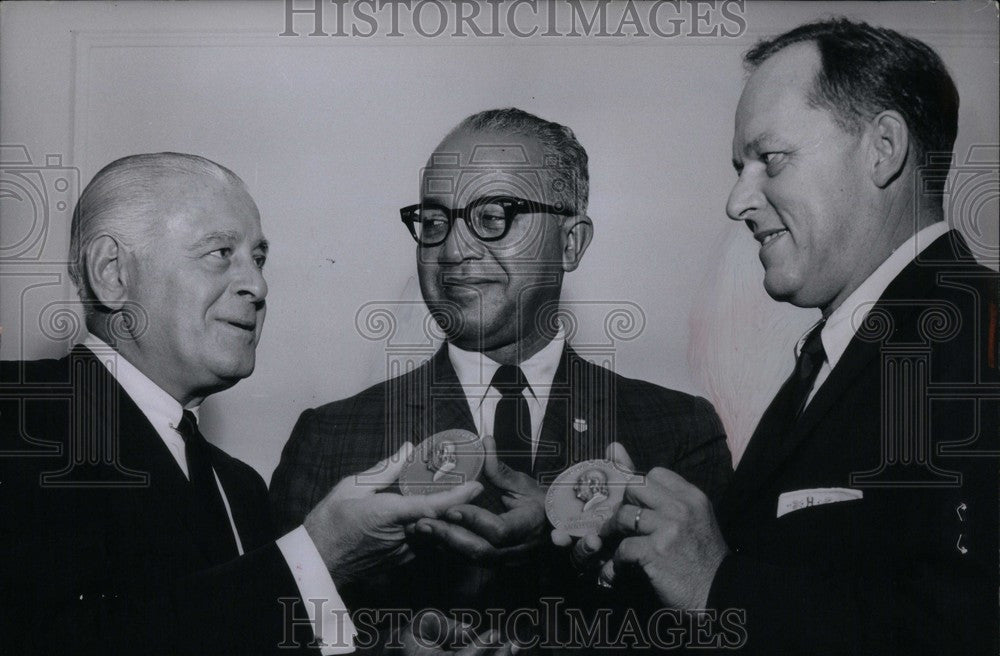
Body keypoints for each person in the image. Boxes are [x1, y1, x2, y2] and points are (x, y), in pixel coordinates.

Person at [576, 19, 999, 655]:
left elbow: (966, 632)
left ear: (883, 147)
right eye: (739, 167)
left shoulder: (980, 340)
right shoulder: (837, 351)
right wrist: (644, 541)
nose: (738, 200)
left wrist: (716, 585)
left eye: (769, 159)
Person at [270, 108, 732, 651]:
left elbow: (722, 632)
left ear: (571, 243)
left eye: (493, 216)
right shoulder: (329, 439)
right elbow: (273, 633)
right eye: (435, 221)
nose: (453, 250)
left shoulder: (677, 433)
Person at [0, 152, 491, 656]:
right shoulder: (18, 418)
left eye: (258, 258)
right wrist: (316, 556)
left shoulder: (238, 487)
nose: (257, 285)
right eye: (220, 253)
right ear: (112, 273)